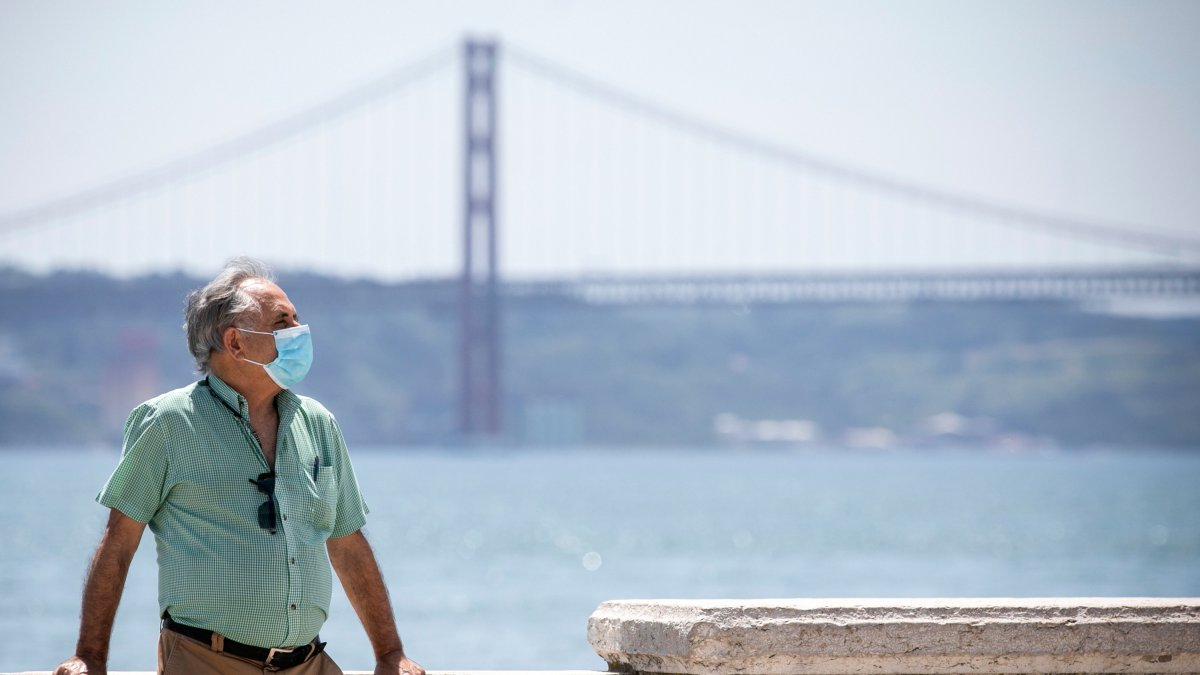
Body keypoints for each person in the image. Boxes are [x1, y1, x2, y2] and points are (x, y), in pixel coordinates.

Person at [54, 257, 424, 675]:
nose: (298, 333)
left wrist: (390, 654)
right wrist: (90, 656)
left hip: (309, 664)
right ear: (235, 342)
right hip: (205, 662)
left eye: (297, 320)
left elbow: (349, 544)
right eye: (282, 323)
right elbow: (118, 543)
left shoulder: (318, 423)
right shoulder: (168, 422)